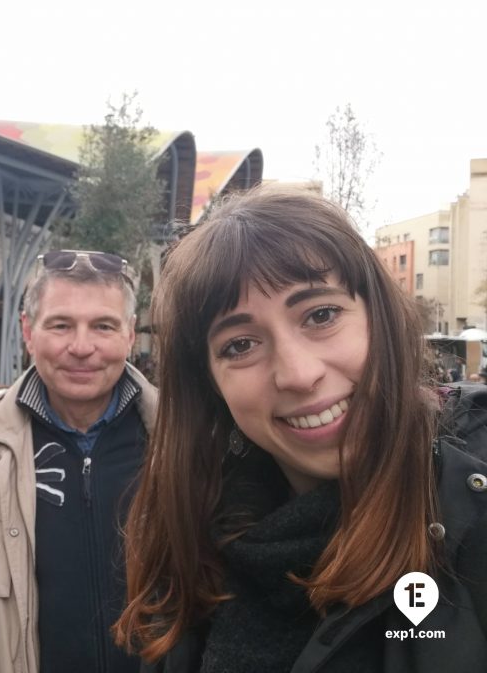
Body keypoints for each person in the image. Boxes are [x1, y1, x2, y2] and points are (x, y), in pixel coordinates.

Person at [114, 186, 487, 671]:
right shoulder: (191, 545)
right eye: (241, 344)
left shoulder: (472, 517)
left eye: (322, 315)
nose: (298, 373)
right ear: (210, 386)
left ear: (382, 317)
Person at [0, 250, 158, 672]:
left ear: (129, 334)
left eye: (103, 326)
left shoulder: (177, 433)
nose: (81, 347)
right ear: (28, 333)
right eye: (61, 325)